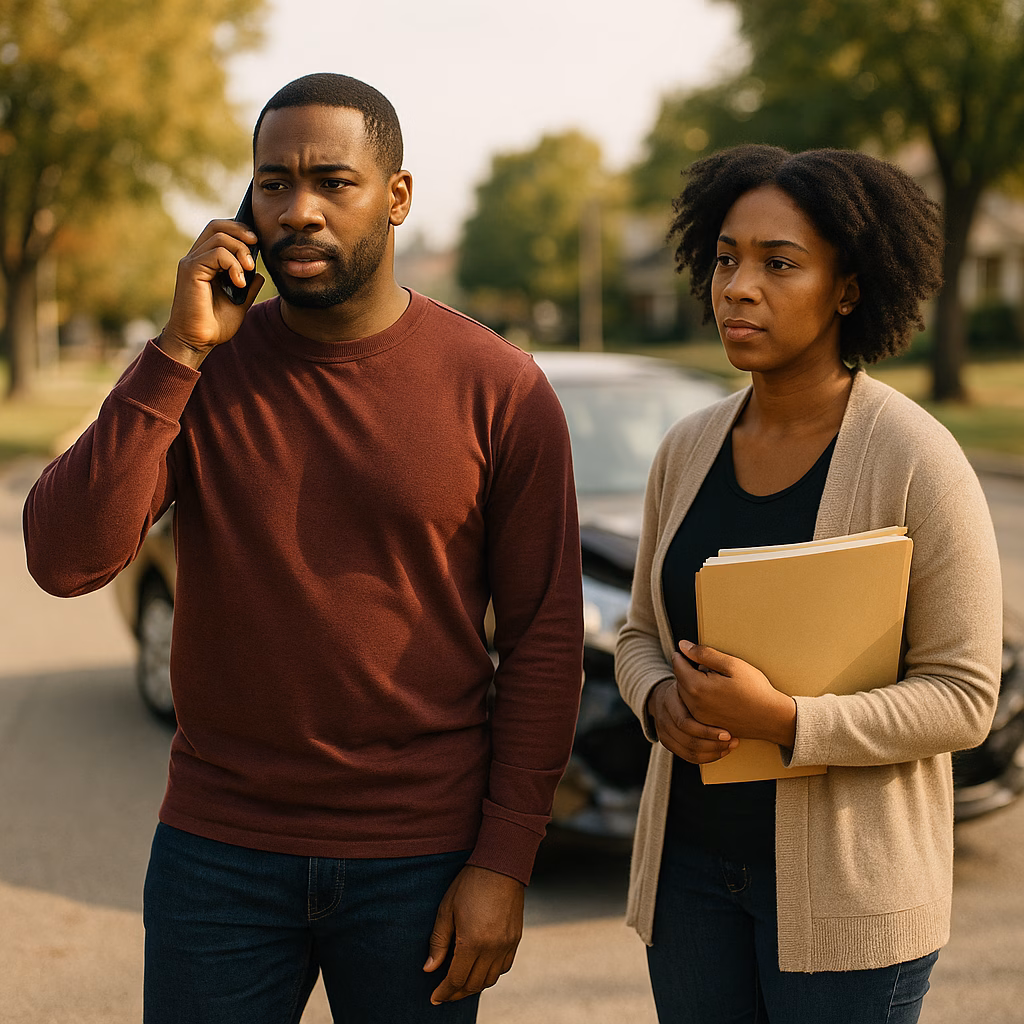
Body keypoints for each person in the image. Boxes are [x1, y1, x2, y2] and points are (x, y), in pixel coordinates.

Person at [23, 73, 584, 1023]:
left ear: (397, 196)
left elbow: (543, 642)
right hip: (220, 852)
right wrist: (179, 352)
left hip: (419, 857)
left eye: (334, 182)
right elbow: (64, 558)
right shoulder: (204, 369)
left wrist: (504, 860)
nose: (300, 211)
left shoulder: (502, 389)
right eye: (273, 184)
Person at [615, 144, 1002, 1024]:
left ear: (848, 289)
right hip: (689, 886)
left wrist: (789, 723)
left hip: (848, 898)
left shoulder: (916, 457)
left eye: (779, 263)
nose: (738, 286)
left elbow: (964, 696)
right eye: (725, 257)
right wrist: (656, 702)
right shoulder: (686, 449)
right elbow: (640, 633)